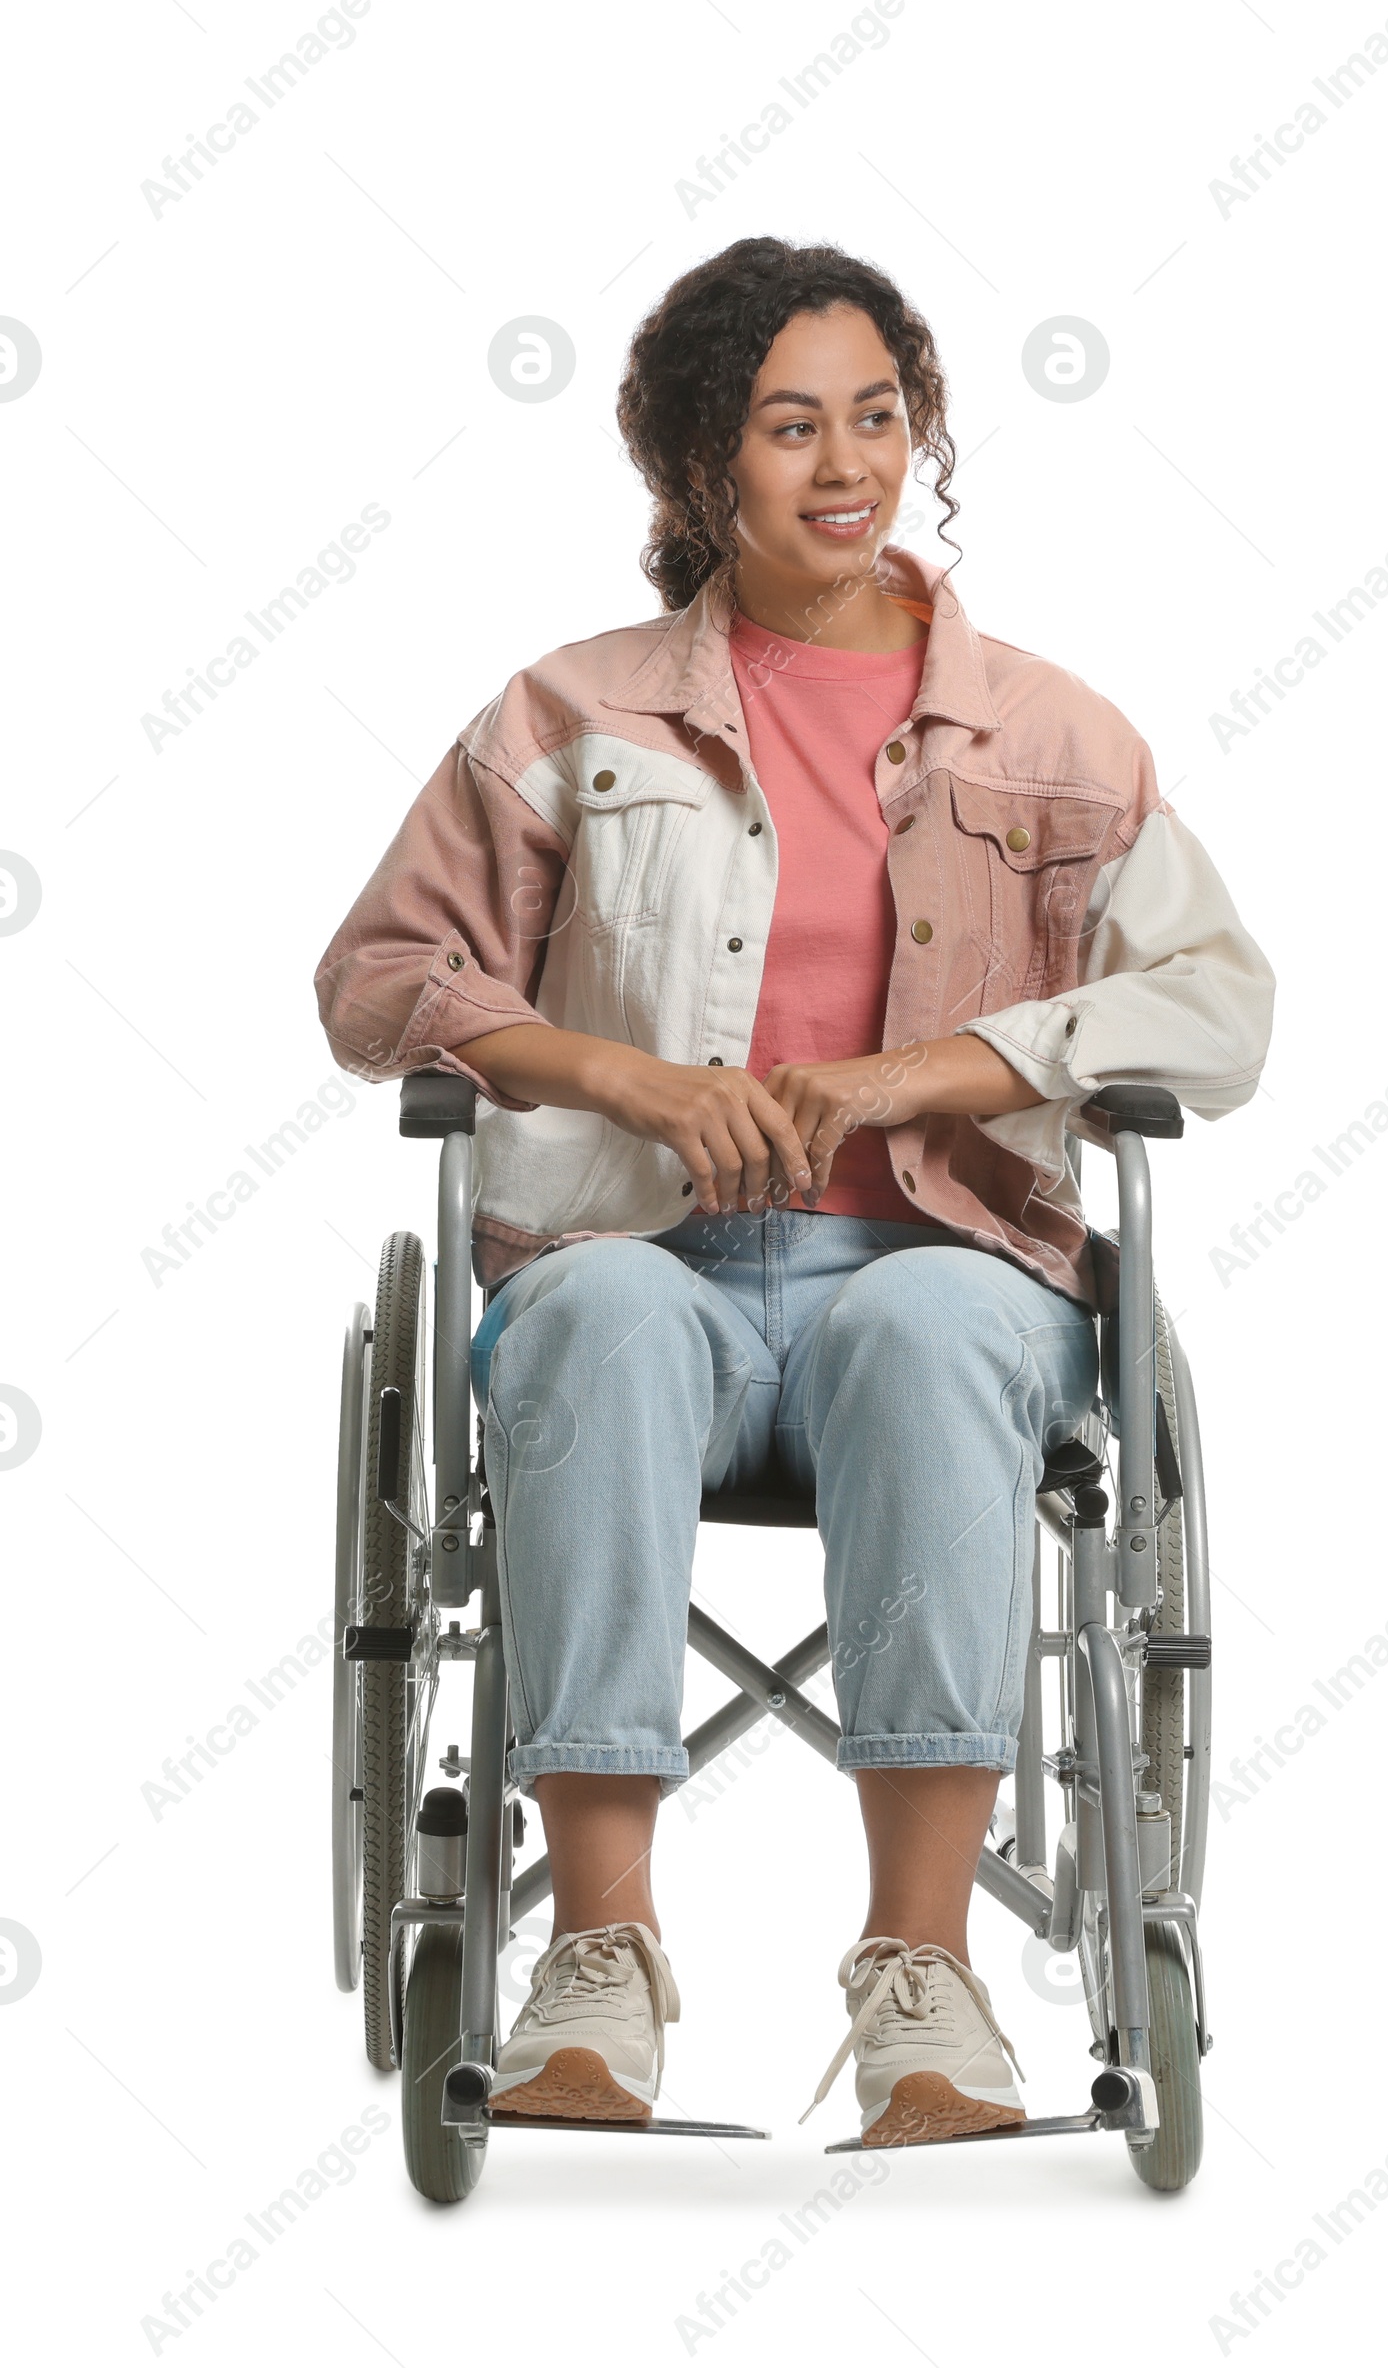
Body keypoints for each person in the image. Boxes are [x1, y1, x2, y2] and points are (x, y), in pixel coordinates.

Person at [314, 236, 1273, 2147]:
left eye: (879, 415)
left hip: (942, 1261)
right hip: (637, 1249)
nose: (847, 463)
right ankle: (596, 1959)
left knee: (928, 1314)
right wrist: (625, 1077)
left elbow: (1221, 1001)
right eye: (786, 424)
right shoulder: (571, 714)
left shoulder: (1051, 736)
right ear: (696, 463)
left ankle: (923, 1978)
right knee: (587, 1308)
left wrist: (932, 1072)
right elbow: (380, 976)